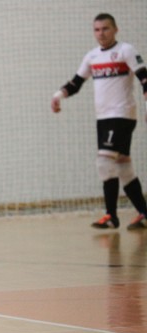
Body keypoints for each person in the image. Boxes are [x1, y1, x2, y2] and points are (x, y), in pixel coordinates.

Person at [51, 13, 147, 230]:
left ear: (115, 29)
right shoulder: (92, 56)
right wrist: (58, 95)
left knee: (104, 162)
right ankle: (144, 212)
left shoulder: (126, 50)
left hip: (121, 115)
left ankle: (111, 216)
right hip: (103, 118)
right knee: (123, 167)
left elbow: (144, 79)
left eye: (105, 29)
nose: (101, 33)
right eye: (97, 29)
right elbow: (76, 83)